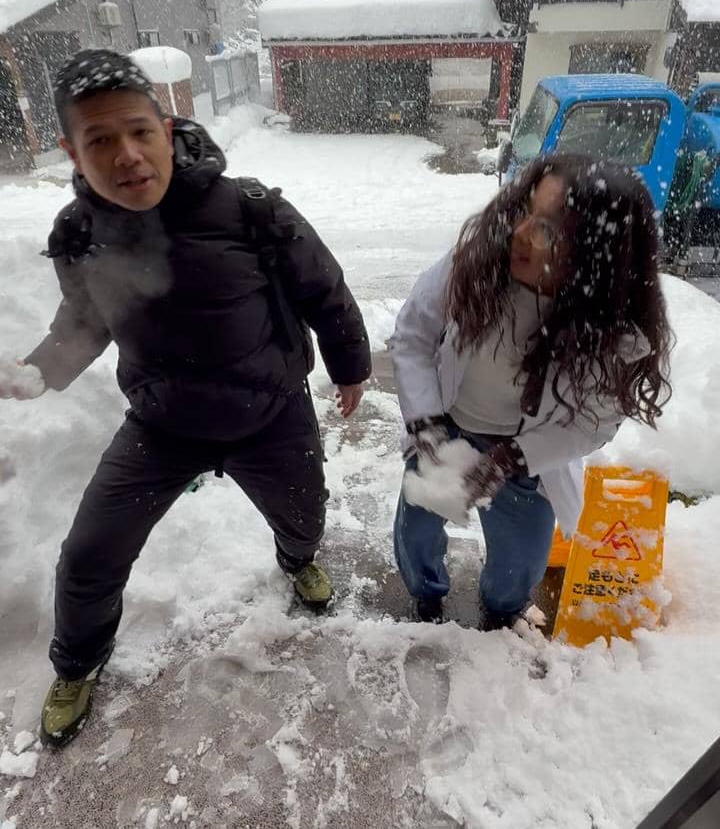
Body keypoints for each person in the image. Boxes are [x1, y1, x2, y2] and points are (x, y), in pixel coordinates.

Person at [0, 49, 371, 747]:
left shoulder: (251, 208)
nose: (128, 155)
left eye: (140, 131)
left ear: (167, 128)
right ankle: (78, 663)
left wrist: (349, 366)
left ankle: (296, 561)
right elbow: (82, 325)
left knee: (304, 515)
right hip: (161, 424)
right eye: (100, 139)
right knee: (88, 554)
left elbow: (326, 288)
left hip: (270, 413)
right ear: (70, 150)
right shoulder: (79, 236)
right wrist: (33, 374)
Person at [391, 154, 672, 627]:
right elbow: (414, 336)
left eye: (549, 230)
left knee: (520, 560)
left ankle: (502, 613)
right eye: (525, 211)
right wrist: (425, 421)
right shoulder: (473, 267)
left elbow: (592, 424)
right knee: (416, 529)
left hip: (526, 455)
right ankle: (425, 592)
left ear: (593, 256)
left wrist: (511, 460)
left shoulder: (612, 333)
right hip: (448, 428)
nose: (520, 234)